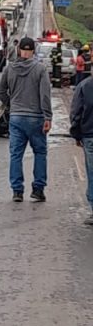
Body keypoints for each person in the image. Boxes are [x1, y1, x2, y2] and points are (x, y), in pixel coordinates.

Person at [0, 36, 52, 202]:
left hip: (16, 118)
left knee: (16, 155)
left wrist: (11, 104)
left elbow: (0, 92)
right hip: (36, 118)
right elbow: (45, 95)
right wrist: (47, 116)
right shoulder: (40, 69)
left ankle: (17, 191)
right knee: (40, 153)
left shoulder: (9, 69)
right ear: (33, 51)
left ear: (19, 50)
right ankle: (38, 189)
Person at [70, 74, 93, 224]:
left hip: (90, 135)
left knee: (92, 172)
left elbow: (76, 112)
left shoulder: (85, 86)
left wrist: (76, 134)